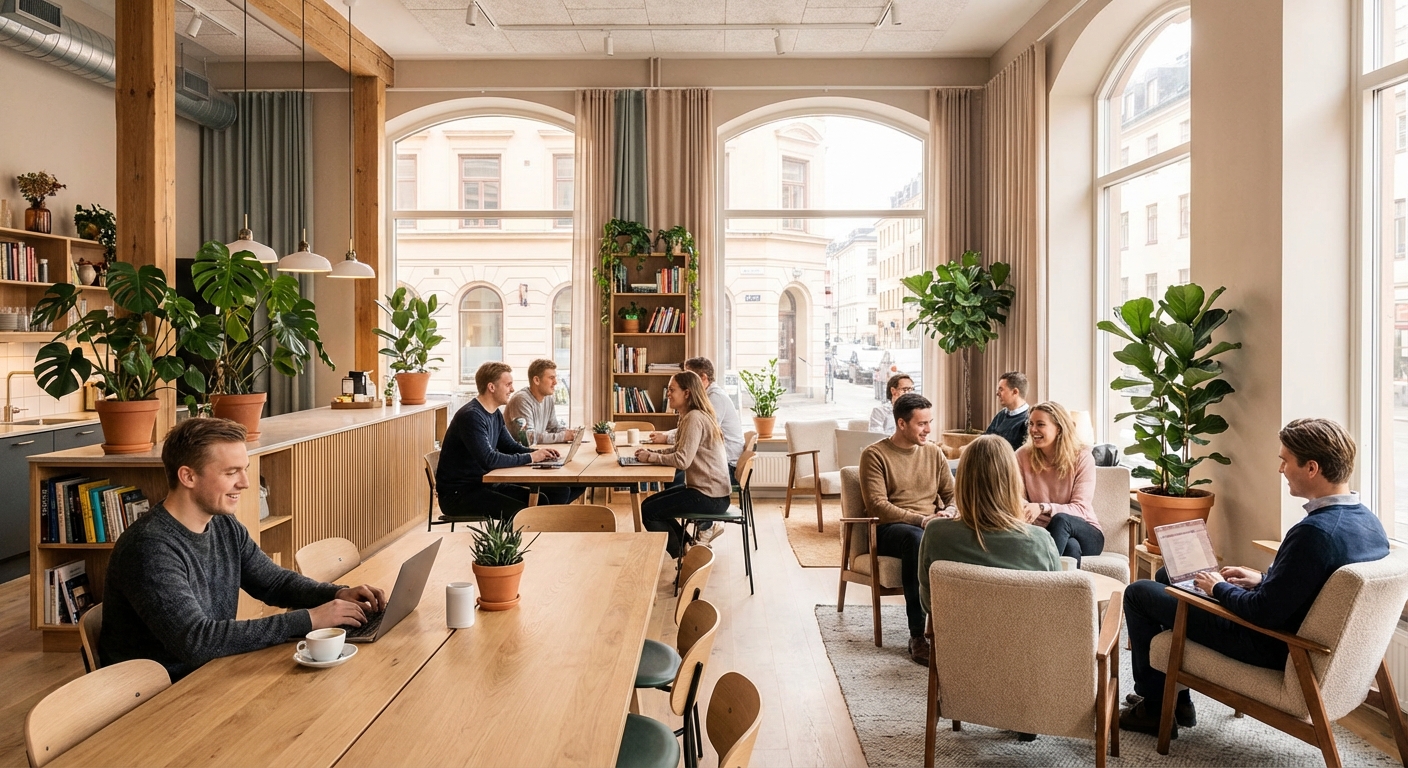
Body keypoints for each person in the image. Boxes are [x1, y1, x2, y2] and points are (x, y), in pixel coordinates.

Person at [1119, 418, 1390, 737]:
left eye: (1285, 461)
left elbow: (1262, 612)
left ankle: (1154, 709)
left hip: (1265, 641)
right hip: (1294, 631)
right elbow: (1314, 586)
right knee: (1170, 574)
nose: (1281, 469)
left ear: (1311, 468)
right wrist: (1262, 579)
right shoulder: (1369, 523)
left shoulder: (1315, 533)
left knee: (1139, 593)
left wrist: (1219, 588)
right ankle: (1176, 702)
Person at [99, 418, 387, 681]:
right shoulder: (149, 548)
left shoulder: (223, 524)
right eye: (231, 472)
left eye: (244, 470)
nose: (245, 483)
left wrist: (335, 595)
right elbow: (197, 641)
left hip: (213, 672)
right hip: (162, 694)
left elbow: (274, 583)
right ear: (188, 476)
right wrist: (309, 619)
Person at [919, 433, 1060, 742]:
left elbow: (928, 604)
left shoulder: (936, 534)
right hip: (1025, 663)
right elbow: (1053, 612)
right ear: (1012, 482)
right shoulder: (1040, 541)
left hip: (962, 660)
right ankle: (1023, 709)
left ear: (962, 481)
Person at [858, 392, 957, 666]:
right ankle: (917, 635)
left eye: (929, 422)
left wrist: (950, 511)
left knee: (962, 536)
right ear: (901, 424)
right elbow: (878, 506)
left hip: (930, 526)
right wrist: (922, 520)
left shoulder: (934, 453)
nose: (928, 430)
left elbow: (953, 495)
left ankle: (956, 631)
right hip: (889, 530)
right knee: (917, 539)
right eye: (921, 424)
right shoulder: (874, 455)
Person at [437, 362, 576, 519]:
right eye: (508, 384)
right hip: (459, 494)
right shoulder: (471, 416)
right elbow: (489, 459)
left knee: (544, 498)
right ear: (491, 387)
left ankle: (545, 531)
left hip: (484, 484)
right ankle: (535, 532)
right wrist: (531, 457)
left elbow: (510, 446)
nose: (512, 389)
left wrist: (540, 454)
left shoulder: (495, 413)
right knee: (524, 513)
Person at [636, 371, 733, 558]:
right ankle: (689, 548)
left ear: (687, 393)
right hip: (710, 493)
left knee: (649, 511)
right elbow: (678, 450)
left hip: (710, 497)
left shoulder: (694, 418)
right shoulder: (692, 416)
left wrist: (652, 458)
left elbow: (682, 460)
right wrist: (652, 454)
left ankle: (685, 554)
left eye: (672, 390)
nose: (668, 394)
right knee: (649, 505)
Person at [1016, 401, 1102, 566]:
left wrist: (1043, 507)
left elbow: (1081, 509)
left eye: (1040, 424)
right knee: (1071, 546)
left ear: (1059, 428)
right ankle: (1065, 582)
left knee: (1061, 520)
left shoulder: (1082, 457)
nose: (1033, 430)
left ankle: (1039, 577)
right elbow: (1016, 498)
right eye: (1031, 424)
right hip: (1043, 532)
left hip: (1087, 532)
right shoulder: (1022, 456)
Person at [505, 358, 576, 446]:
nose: (555, 382)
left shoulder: (548, 399)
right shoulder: (521, 399)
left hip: (534, 451)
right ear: (536, 380)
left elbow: (553, 428)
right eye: (551, 378)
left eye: (555, 378)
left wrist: (571, 433)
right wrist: (563, 437)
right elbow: (529, 437)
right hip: (518, 453)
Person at [984, 371, 1030, 450]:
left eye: (1001, 389)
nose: (997, 393)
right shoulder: (1001, 415)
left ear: (1015, 392)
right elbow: (985, 440)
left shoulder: (1028, 419)